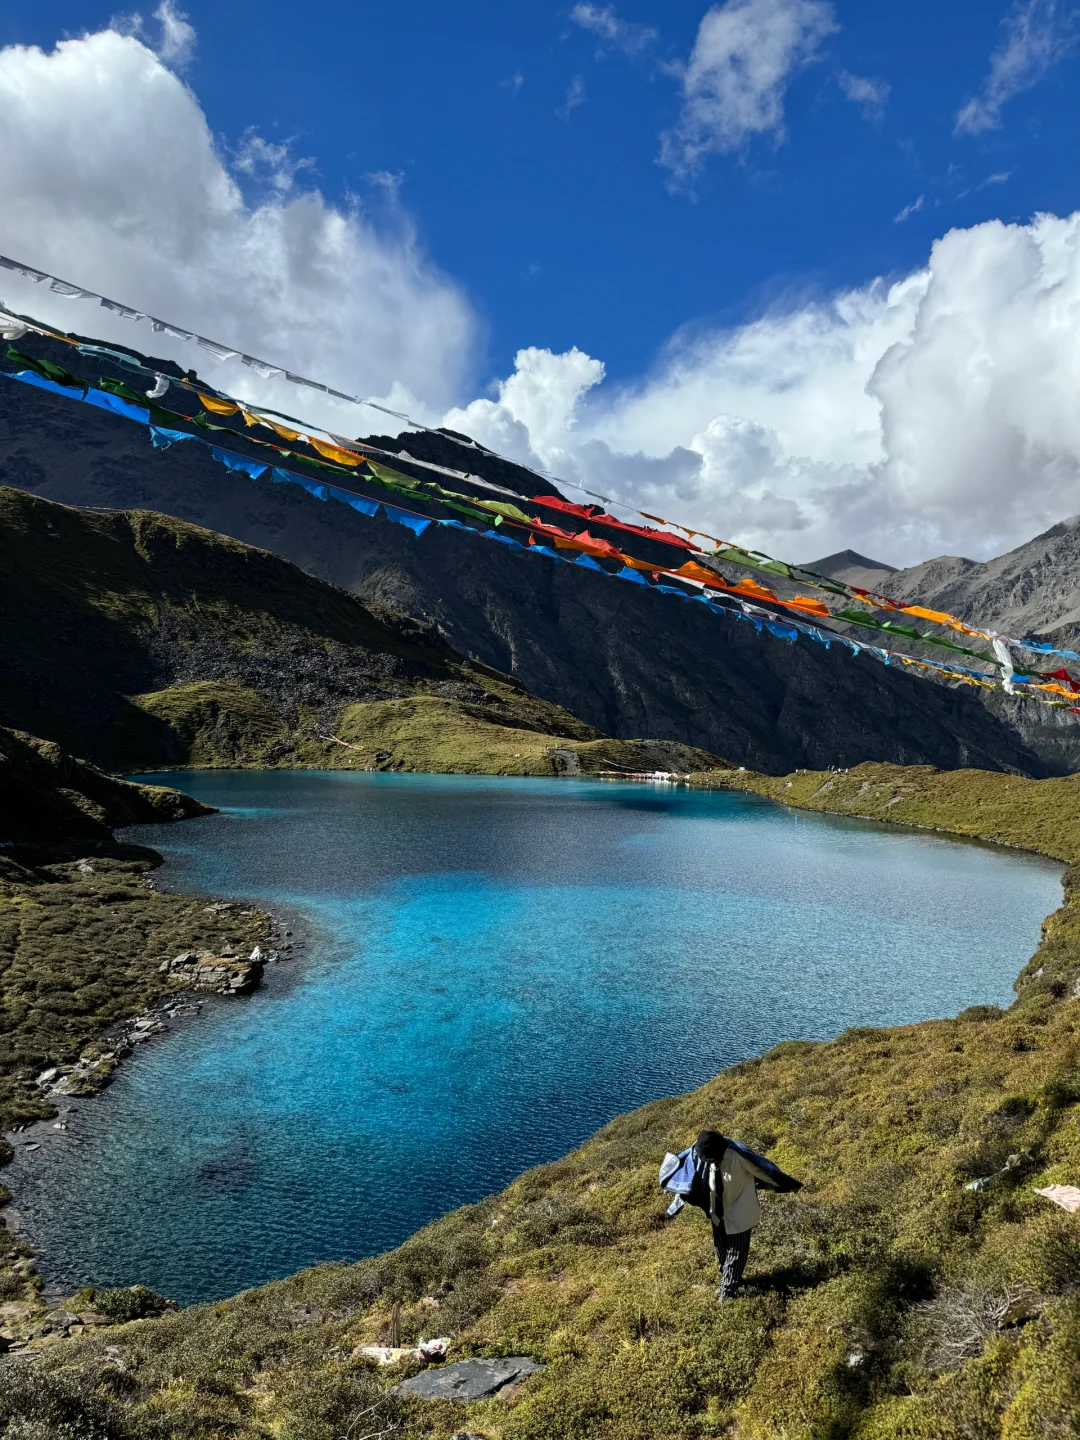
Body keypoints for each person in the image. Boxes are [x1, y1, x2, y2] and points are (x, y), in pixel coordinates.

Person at [660, 1129, 802, 1300]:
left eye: (711, 1160)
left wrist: (787, 1184)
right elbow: (688, 1175)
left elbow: (765, 1170)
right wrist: (675, 1199)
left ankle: (727, 1292)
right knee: (720, 1249)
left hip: (740, 1213)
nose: (708, 1163)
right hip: (717, 1213)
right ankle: (730, 1279)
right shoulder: (700, 1154)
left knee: (736, 1253)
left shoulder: (739, 1157)